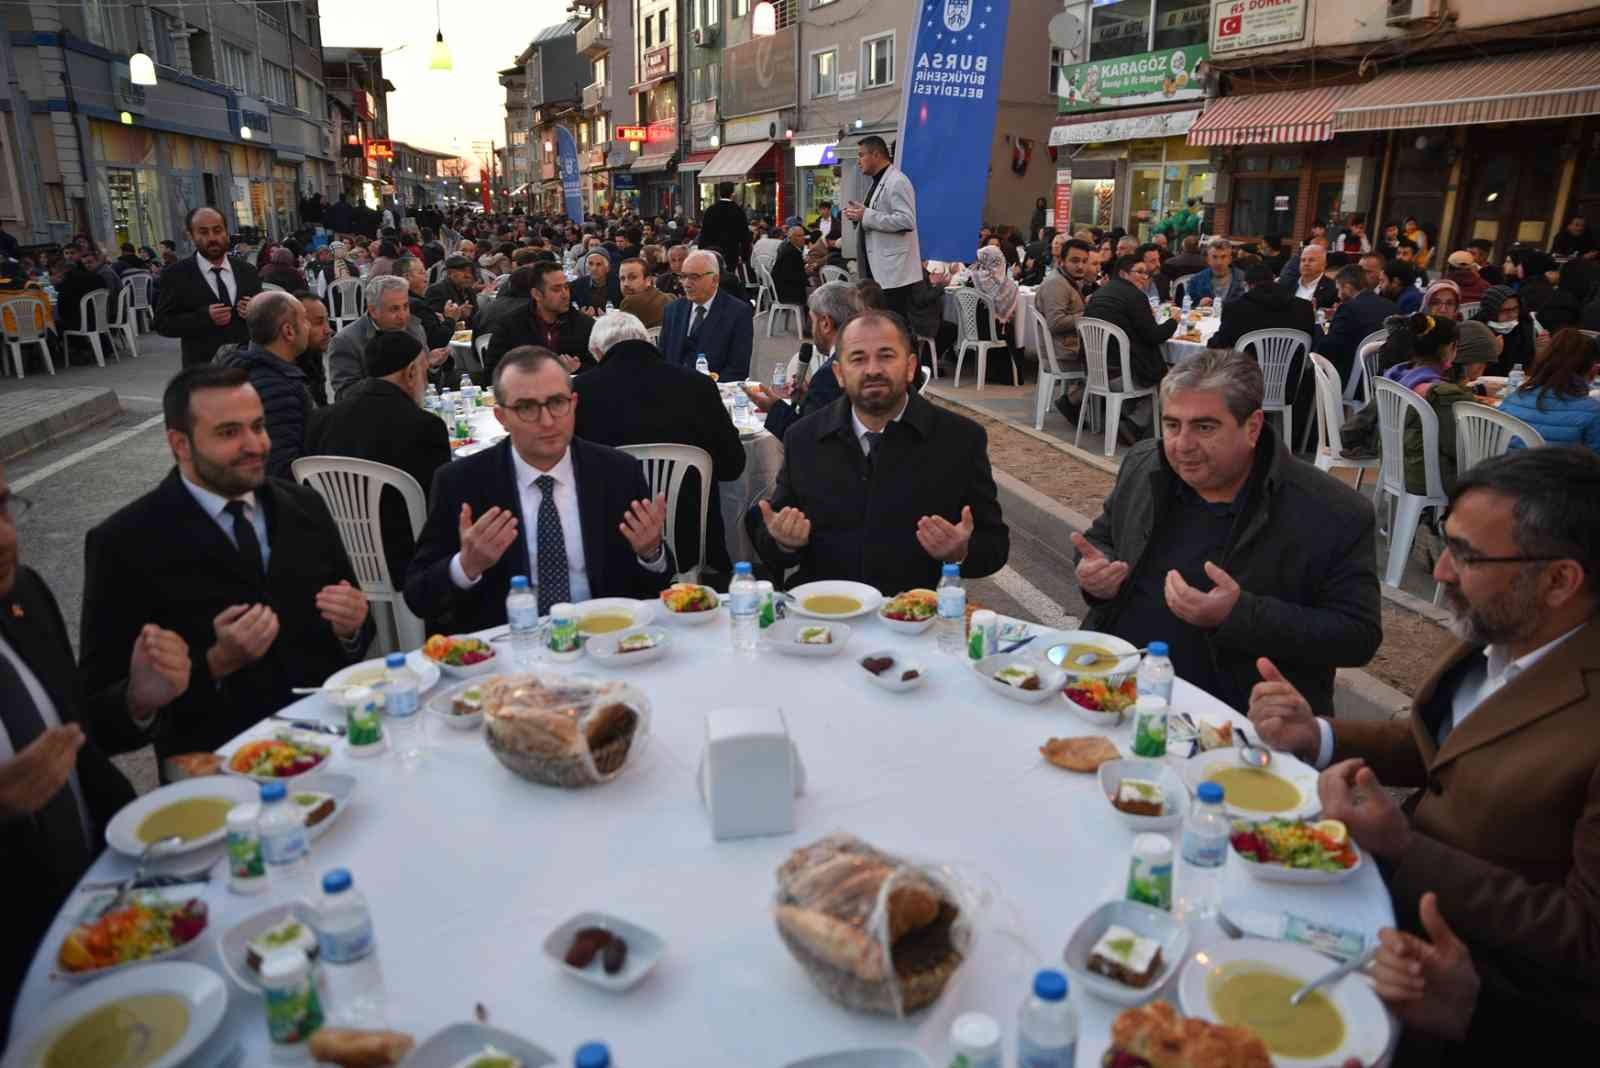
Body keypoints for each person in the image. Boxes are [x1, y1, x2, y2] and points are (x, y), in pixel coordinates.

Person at [1246, 445, 1600, 1037]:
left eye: (1464, 556)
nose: (1438, 573)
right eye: (1446, 541)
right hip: (1378, 912)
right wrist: (1319, 735)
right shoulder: (1506, 626)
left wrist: (1403, 846)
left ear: (1560, 580)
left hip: (1480, 998)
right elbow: (1452, 749)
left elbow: (1584, 939)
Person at [81, 366, 373, 769]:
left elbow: (355, 629)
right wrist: (214, 663)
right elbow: (99, 718)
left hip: (330, 750)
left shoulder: (305, 506)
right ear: (180, 444)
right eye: (229, 432)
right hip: (217, 774)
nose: (254, 445)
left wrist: (352, 628)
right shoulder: (124, 543)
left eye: (258, 426)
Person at [1075, 349, 1380, 714]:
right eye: (1172, 425)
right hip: (1110, 687)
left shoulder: (1332, 511)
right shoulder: (1145, 465)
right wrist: (1095, 572)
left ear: (1252, 427)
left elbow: (1357, 637)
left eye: (1205, 427)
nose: (1182, 445)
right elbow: (1101, 539)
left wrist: (1237, 615)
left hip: (1233, 717)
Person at [0, 466, 190, 1044]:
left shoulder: (23, 594)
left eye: (4, 507)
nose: (5, 536)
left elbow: (80, 742)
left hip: (113, 911)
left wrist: (137, 700)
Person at [404, 347, 672, 631]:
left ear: (574, 403)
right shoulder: (462, 482)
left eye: (557, 402)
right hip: (510, 655)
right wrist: (466, 565)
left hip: (604, 643)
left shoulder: (617, 472)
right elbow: (418, 596)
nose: (547, 421)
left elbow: (657, 584)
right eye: (527, 408)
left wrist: (650, 553)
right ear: (501, 416)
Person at [752, 309, 1008, 593]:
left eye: (886, 356)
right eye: (858, 359)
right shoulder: (804, 437)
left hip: (914, 617)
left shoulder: (960, 439)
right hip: (824, 614)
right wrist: (783, 542)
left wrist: (960, 553)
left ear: (910, 367)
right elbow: (772, 534)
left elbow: (994, 547)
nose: (872, 369)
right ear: (839, 373)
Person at [575, 311, 745, 575]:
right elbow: (733, 466)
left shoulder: (578, 393)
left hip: (609, 539)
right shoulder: (698, 386)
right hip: (690, 535)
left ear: (597, 352)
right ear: (648, 341)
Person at [306, 330, 451, 585]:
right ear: (410, 373)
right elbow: (438, 508)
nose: (425, 383)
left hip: (341, 556)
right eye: (424, 373)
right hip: (408, 561)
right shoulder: (424, 426)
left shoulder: (320, 420)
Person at [743, 281, 858, 441]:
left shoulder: (829, 375)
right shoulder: (860, 359)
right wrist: (808, 398)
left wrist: (773, 407)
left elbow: (806, 439)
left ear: (825, 324)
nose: (811, 330)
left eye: (812, 321)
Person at [217, 292, 314, 481]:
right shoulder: (279, 388)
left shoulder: (234, 366)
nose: (308, 327)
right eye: (305, 320)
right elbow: (281, 466)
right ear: (288, 331)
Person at [1381, 314, 1481, 495]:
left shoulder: (1397, 376)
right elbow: (1459, 446)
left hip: (1397, 466)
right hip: (1428, 477)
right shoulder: (1437, 393)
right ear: (1452, 347)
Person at [1082, 255, 1178, 438]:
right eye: (1139, 272)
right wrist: (1173, 321)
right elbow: (1154, 336)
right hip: (1121, 374)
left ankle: (1131, 419)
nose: (1144, 277)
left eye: (1147, 273)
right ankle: (1135, 424)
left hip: (1095, 370)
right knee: (1167, 374)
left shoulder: (1101, 292)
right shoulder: (1135, 296)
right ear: (1123, 274)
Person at [155, 207, 262, 366]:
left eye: (217, 230)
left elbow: (265, 318)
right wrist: (203, 317)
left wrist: (253, 311)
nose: (212, 238)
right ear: (191, 236)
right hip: (202, 371)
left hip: (246, 367)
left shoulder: (247, 271)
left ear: (226, 232)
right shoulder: (176, 274)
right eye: (203, 232)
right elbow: (162, 324)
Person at [844, 136, 923, 322]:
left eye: (861, 155)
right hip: (879, 270)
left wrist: (866, 215)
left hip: (894, 274)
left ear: (876, 154)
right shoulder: (878, 181)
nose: (858, 160)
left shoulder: (897, 182)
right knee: (881, 322)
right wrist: (859, 215)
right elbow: (874, 216)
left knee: (894, 323)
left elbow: (906, 221)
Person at [483, 262, 596, 379]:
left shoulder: (584, 324)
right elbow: (492, 373)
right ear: (537, 294)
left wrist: (579, 368)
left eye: (566, 287)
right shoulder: (511, 325)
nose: (565, 295)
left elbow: (601, 370)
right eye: (556, 289)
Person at [326, 275, 429, 401]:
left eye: (406, 306)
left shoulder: (414, 328)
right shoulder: (346, 342)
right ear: (373, 310)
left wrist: (431, 365)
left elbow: (429, 384)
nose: (403, 316)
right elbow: (345, 393)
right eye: (394, 309)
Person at [1497, 329, 1600, 452]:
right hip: (1561, 470)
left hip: (1507, 468)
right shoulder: (1592, 411)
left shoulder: (1513, 399)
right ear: (1592, 369)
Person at [658, 250, 753, 380]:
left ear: (715, 279)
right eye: (683, 276)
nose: (686, 284)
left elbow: (738, 369)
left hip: (714, 391)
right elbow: (662, 357)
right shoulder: (673, 310)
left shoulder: (738, 313)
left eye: (694, 277)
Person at [1037, 238, 1094, 419]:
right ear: (1061, 261)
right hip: (1064, 351)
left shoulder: (1068, 280)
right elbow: (1056, 323)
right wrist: (1088, 315)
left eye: (1085, 261)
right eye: (1075, 261)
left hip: (1067, 346)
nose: (1081, 267)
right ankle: (1073, 401)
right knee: (1112, 363)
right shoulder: (1056, 284)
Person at [1317, 265, 1399, 386]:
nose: (1338, 296)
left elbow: (1329, 347)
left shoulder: (1348, 309)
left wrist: (1325, 327)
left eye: (1339, 289)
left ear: (1348, 287)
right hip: (1383, 379)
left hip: (1352, 381)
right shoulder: (1392, 307)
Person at [1208, 263, 1317, 352]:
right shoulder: (1304, 307)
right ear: (1274, 279)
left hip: (1245, 375)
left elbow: (1218, 345)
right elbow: (1312, 343)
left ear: (1246, 285)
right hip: (1292, 375)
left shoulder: (1234, 308)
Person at [967, 245, 1027, 384]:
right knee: (1011, 331)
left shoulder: (974, 278)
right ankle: (1015, 373)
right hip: (992, 332)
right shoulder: (1007, 285)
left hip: (974, 330)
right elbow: (1009, 312)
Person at [1471, 285, 1535, 377]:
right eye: (1505, 310)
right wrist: (1492, 354)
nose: (1512, 315)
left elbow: (1529, 366)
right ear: (1491, 311)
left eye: (1515, 309)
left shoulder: (1524, 328)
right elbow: (1471, 375)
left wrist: (1540, 350)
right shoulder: (1474, 330)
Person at [399, 255, 458, 351]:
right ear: (407, 277)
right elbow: (438, 341)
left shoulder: (406, 298)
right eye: (421, 272)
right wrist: (450, 318)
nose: (426, 275)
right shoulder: (414, 304)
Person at [699, 183, 752, 275]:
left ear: (719, 193)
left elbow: (704, 233)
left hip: (712, 252)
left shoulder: (711, 210)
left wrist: (702, 251)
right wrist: (745, 256)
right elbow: (744, 236)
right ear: (732, 193)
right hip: (731, 252)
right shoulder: (738, 211)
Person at [54, 247, 108, 334]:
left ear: (62, 271)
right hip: (101, 319)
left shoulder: (69, 281)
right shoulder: (97, 276)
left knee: (54, 323)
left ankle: (70, 347)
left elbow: (62, 309)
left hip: (82, 323)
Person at [1179, 238, 1245, 308]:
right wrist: (1199, 306)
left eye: (1223, 257)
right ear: (1208, 259)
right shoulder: (1196, 281)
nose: (1219, 262)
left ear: (1230, 259)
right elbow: (1186, 308)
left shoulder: (1243, 279)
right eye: (1214, 257)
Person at [293, 291, 332, 408]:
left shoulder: (313, 352)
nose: (328, 330)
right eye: (319, 323)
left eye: (327, 321)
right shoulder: (281, 375)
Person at [424, 255, 480, 329]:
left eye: (469, 271)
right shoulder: (436, 291)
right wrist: (457, 315)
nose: (468, 275)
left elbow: (477, 316)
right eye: (463, 271)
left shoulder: (469, 291)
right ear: (450, 273)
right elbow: (431, 322)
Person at [617, 257, 671, 328]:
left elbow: (621, 335)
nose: (625, 284)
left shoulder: (629, 302)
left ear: (648, 280)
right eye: (622, 278)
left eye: (633, 277)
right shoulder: (669, 298)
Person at [1283, 244, 1337, 309]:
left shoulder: (1332, 288)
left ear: (1324, 264)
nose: (1306, 264)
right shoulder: (1286, 283)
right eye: (1303, 260)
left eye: (1311, 260)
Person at [571, 250, 622, 316]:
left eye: (599, 264)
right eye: (590, 264)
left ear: (607, 268)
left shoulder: (618, 285)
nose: (594, 268)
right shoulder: (576, 285)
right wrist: (580, 315)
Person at [771, 225, 810, 310]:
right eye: (799, 236)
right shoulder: (792, 252)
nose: (803, 238)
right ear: (791, 237)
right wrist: (807, 273)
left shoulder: (787, 247)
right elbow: (794, 276)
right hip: (787, 293)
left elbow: (789, 269)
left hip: (780, 289)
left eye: (803, 235)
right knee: (816, 293)